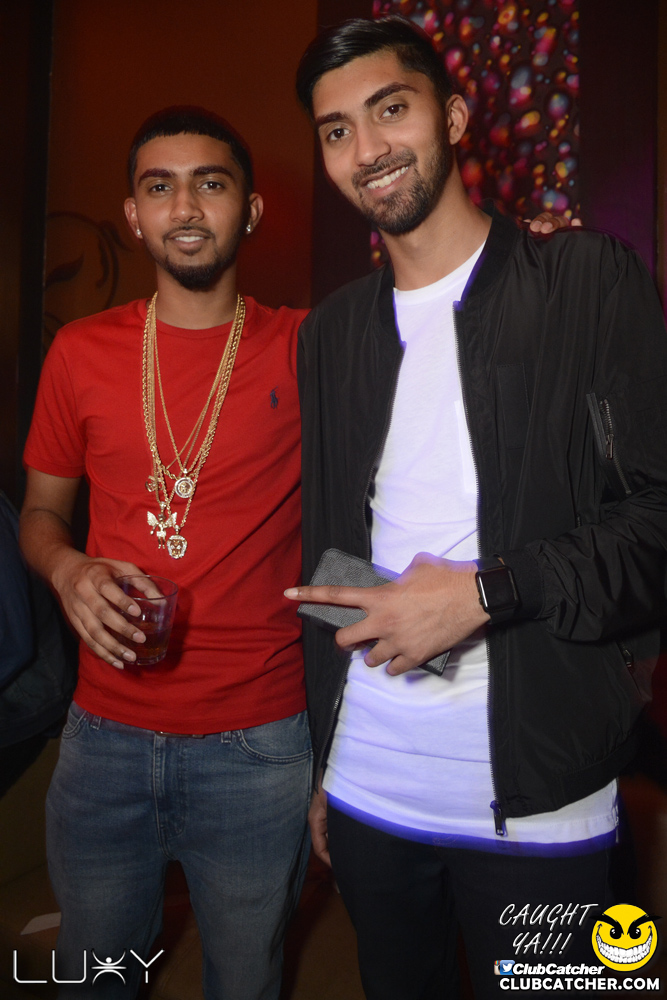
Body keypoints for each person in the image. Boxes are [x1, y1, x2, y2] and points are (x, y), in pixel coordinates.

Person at [288, 16, 667, 999]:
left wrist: (485, 593)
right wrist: (328, 761)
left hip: (543, 810)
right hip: (370, 793)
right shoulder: (330, 334)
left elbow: (655, 525)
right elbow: (331, 552)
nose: (367, 148)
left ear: (452, 117)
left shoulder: (586, 282)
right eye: (336, 130)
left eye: (391, 109)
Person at [20, 106, 311, 1000]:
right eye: (160, 186)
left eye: (209, 184)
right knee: (96, 976)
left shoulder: (307, 347)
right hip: (103, 735)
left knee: (246, 979)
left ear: (249, 210)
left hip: (259, 740)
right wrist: (67, 568)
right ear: (134, 213)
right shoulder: (79, 352)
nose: (184, 207)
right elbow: (40, 513)